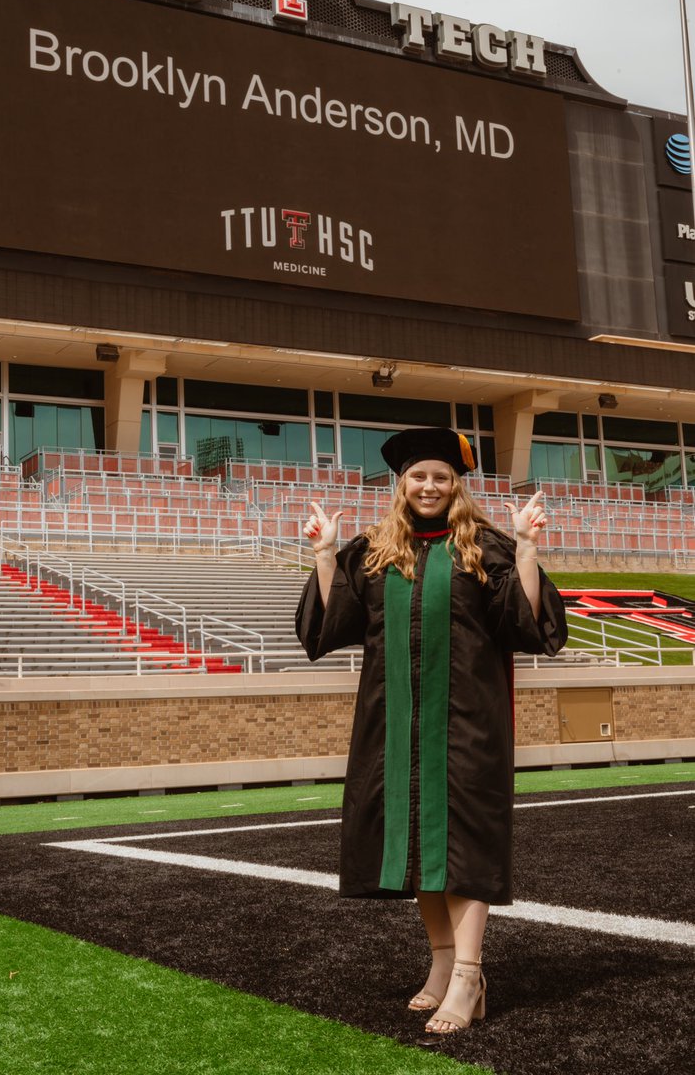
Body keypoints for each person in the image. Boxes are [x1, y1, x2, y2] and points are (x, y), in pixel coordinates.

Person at [295, 427, 567, 1042]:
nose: (429, 486)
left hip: (468, 725)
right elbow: (327, 628)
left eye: (441, 476)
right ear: (402, 482)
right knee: (421, 847)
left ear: (456, 484)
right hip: (394, 728)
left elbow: (528, 627)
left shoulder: (484, 546)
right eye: (419, 476)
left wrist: (525, 547)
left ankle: (470, 975)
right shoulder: (373, 550)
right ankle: (443, 960)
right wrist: (322, 553)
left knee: (465, 845)